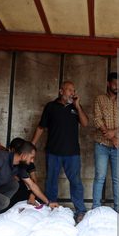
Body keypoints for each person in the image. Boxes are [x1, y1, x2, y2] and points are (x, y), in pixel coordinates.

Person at [31, 81, 88, 221]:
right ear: (61, 91)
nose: (72, 93)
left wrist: (77, 106)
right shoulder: (50, 107)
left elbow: (85, 123)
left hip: (72, 153)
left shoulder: (76, 108)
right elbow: (40, 127)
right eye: (69, 90)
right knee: (51, 181)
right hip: (53, 151)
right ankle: (51, 209)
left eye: (74, 90)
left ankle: (80, 211)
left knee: (76, 182)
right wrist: (31, 145)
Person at [92, 73, 119, 212]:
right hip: (102, 144)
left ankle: (118, 210)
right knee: (100, 177)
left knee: (117, 179)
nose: (117, 86)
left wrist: (114, 131)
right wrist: (112, 137)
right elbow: (97, 119)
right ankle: (95, 208)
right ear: (108, 83)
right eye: (114, 83)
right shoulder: (99, 99)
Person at [7, 137, 43, 207]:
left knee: (37, 195)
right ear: (13, 150)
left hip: (21, 191)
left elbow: (34, 181)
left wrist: (32, 195)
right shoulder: (6, 160)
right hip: (9, 192)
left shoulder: (28, 161)